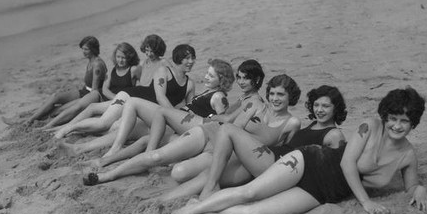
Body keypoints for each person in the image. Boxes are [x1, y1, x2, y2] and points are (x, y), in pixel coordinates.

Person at [168, 86, 427, 214]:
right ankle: (193, 209)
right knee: (249, 193)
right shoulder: (370, 127)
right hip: (311, 162)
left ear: (413, 123)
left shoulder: (408, 155)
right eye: (393, 119)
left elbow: (412, 185)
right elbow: (347, 162)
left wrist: (418, 189)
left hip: (326, 192)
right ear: (385, 116)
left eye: (404, 121)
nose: (397, 126)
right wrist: (366, 203)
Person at [82, 65, 301, 186]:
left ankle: (109, 158)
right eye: (273, 93)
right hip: (206, 134)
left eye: (280, 95)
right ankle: (106, 175)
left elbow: (275, 148)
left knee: (176, 169)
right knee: (156, 155)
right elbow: (232, 124)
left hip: (221, 148)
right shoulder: (256, 106)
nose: (275, 98)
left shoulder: (280, 116)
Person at [161, 85, 347, 202]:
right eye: (317, 105)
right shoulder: (311, 125)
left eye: (326, 106)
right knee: (209, 174)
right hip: (267, 158)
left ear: (336, 109)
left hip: (275, 164)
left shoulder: (334, 134)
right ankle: (162, 201)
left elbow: (333, 168)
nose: (320, 110)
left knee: (227, 130)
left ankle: (210, 190)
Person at [59, 58, 234, 159]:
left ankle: (115, 149)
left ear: (222, 79)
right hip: (174, 121)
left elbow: (221, 125)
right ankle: (80, 148)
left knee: (133, 102)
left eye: (211, 75)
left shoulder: (219, 97)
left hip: (178, 127)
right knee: (131, 130)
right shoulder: (209, 92)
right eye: (207, 73)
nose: (206, 77)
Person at [54, 40, 193, 141]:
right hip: (130, 96)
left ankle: (72, 128)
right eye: (187, 59)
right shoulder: (164, 71)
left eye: (193, 58)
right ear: (177, 60)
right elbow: (160, 97)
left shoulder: (190, 84)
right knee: (103, 123)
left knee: (108, 124)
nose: (191, 62)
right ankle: (67, 128)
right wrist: (176, 118)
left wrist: (189, 119)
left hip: (140, 105)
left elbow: (190, 107)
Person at [41, 42, 141, 129]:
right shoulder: (115, 68)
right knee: (78, 107)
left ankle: (60, 123)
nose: (120, 60)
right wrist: (115, 98)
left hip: (116, 102)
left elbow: (142, 88)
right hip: (102, 95)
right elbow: (105, 88)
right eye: (118, 57)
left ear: (130, 57)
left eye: (123, 57)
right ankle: (50, 124)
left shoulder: (134, 70)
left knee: (82, 108)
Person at [25, 36, 107, 125]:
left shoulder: (97, 65)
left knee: (61, 109)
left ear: (93, 49)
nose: (83, 52)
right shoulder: (91, 60)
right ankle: (32, 118)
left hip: (90, 95)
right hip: (85, 90)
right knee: (55, 96)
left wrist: (78, 101)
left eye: (86, 49)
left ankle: (32, 120)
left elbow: (94, 92)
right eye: (82, 49)